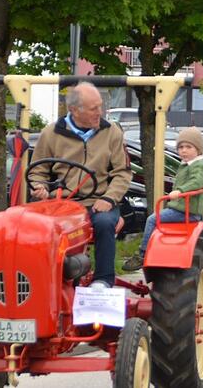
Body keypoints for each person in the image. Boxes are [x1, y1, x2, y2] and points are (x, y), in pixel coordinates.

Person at [29, 82, 131, 287]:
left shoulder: (112, 133)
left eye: (100, 106)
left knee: (103, 223)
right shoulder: (51, 133)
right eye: (94, 108)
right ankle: (39, 280)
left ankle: (102, 281)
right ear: (74, 110)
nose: (99, 113)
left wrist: (108, 198)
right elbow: (37, 171)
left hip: (98, 201)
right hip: (61, 202)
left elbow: (122, 173)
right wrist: (39, 187)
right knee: (35, 228)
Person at [122, 127, 203, 272]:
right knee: (157, 218)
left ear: (199, 149)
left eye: (188, 147)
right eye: (181, 147)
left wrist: (180, 191)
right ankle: (155, 254)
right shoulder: (186, 165)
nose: (184, 150)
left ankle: (142, 254)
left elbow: (197, 182)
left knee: (152, 219)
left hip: (188, 211)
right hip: (181, 208)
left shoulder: (198, 166)